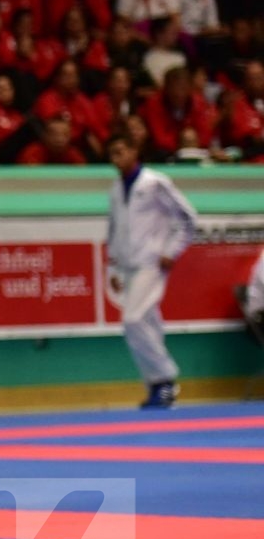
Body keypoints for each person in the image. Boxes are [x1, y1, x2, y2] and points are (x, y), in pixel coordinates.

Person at [105, 133, 198, 408]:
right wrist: (112, 266)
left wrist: (172, 250)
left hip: (152, 262)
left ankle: (166, 379)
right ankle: (156, 388)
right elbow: (114, 230)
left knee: (133, 320)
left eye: (121, 151)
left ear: (135, 151)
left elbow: (188, 217)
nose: (116, 158)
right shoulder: (115, 188)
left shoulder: (155, 182)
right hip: (128, 265)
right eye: (112, 153)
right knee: (148, 323)